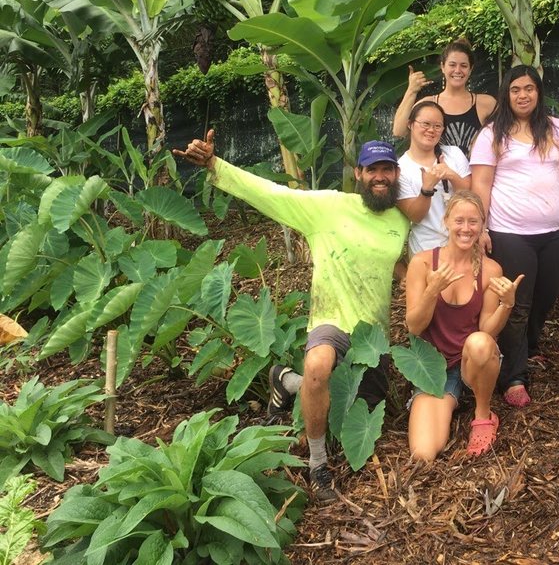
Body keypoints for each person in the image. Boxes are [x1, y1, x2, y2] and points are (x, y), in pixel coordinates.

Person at [172, 131, 408, 501]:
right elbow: (272, 194)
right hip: (332, 321)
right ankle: (318, 465)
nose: (381, 176)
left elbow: (415, 263)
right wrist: (216, 165)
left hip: (372, 337)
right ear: (358, 174)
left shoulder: (400, 221)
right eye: (372, 169)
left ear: (396, 175)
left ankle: (286, 381)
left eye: (388, 170)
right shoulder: (330, 207)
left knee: (352, 410)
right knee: (319, 364)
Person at [470, 65, 559, 407]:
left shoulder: (556, 128)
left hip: (553, 231)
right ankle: (513, 377)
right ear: (506, 94)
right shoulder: (492, 135)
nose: (523, 95)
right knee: (518, 303)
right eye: (516, 89)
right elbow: (481, 184)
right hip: (510, 231)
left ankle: (526, 349)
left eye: (529, 88)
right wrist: (481, 227)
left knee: (544, 297)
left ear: (538, 92)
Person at [405, 191, 524, 460]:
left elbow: (487, 330)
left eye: (474, 222)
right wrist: (432, 291)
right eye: (459, 220)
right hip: (434, 368)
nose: (466, 229)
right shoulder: (422, 263)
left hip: (469, 362)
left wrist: (507, 304)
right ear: (446, 221)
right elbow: (414, 326)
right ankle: (450, 399)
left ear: (482, 225)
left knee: (480, 342)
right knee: (424, 453)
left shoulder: (490, 270)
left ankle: (483, 414)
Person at [392, 39, 498, 156]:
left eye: (463, 66)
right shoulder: (429, 104)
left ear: (470, 69)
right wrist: (411, 91)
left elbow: (506, 134)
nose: (457, 70)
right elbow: (399, 131)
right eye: (452, 65)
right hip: (438, 171)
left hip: (476, 172)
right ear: (442, 66)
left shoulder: (485, 103)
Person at [397, 100, 472, 255]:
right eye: (425, 124)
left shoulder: (454, 154)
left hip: (463, 244)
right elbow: (415, 216)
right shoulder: (401, 168)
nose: (431, 130)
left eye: (437, 126)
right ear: (410, 124)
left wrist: (451, 175)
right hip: (426, 249)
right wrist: (427, 188)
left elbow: (470, 197)